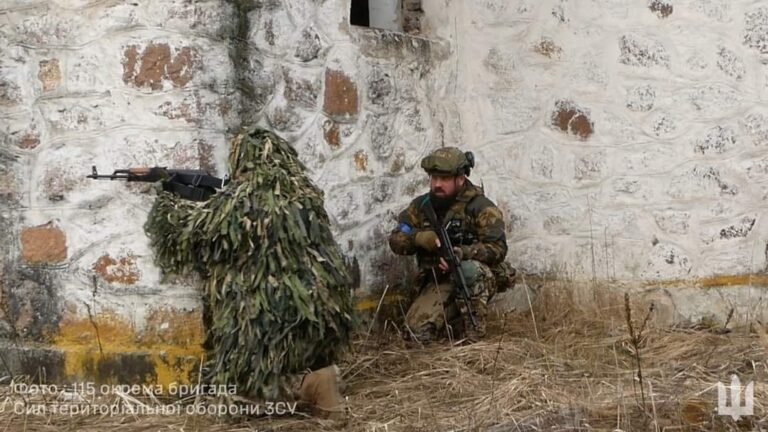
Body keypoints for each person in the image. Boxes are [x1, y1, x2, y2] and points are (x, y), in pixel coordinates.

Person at [388, 147, 513, 343]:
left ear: (460, 179)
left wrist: (463, 253)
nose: (437, 184)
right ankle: (452, 322)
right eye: (434, 178)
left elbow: (498, 249)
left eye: (444, 179)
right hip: (439, 280)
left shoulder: (481, 207)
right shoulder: (421, 206)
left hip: (476, 277)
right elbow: (395, 240)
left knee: (468, 270)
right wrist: (419, 238)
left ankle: (474, 334)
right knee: (415, 335)